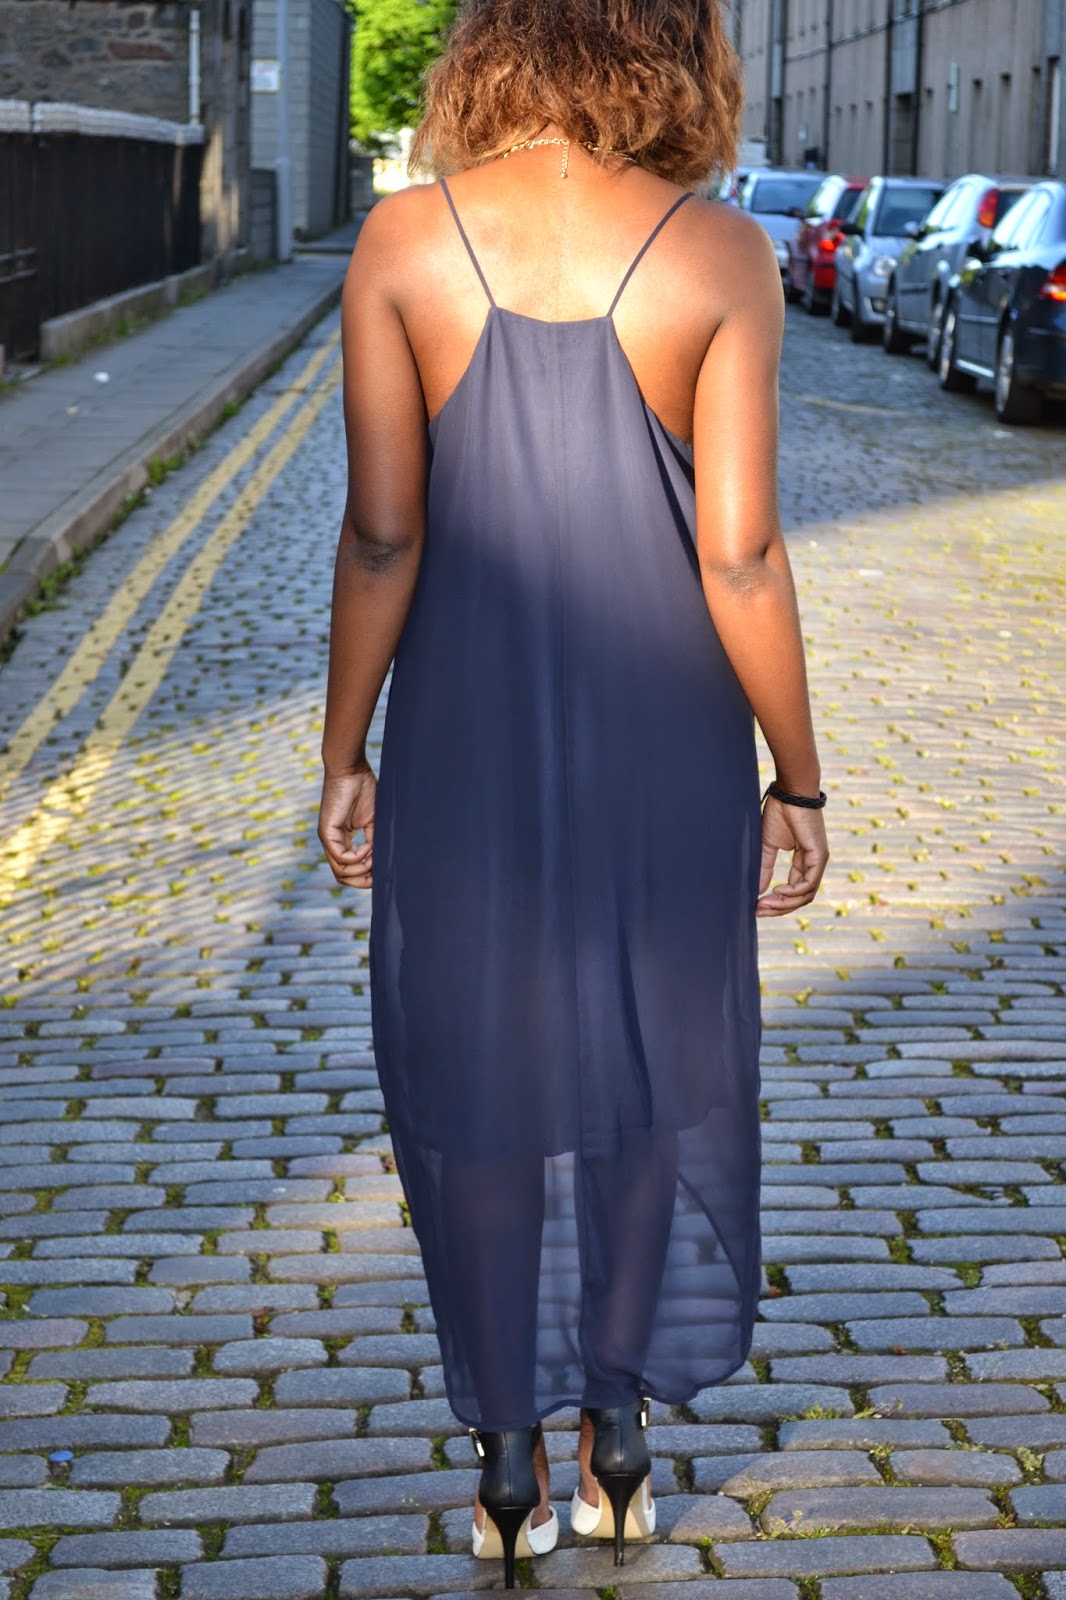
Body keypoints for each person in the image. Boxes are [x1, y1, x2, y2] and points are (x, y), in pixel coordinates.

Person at [318, 0, 829, 1584]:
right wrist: (798, 775)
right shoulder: (717, 253)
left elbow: (382, 533)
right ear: (673, 49)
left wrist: (343, 751)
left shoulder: (402, 244)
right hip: (667, 739)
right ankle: (617, 1432)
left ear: (494, 46)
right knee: (645, 1066)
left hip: (463, 739)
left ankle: (503, 1464)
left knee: (474, 1079)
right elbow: (738, 554)